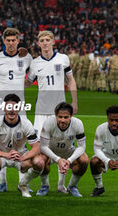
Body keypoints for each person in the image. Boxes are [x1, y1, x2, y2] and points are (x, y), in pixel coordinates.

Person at [25, 30, 78, 194]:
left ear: (53, 42)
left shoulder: (63, 59)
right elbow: (27, 83)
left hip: (60, 110)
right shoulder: (34, 63)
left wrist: (74, 101)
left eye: (48, 39)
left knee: (63, 145)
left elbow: (70, 80)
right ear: (38, 43)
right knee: (41, 150)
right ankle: (44, 185)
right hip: (41, 111)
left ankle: (61, 185)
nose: (45, 42)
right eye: (42, 40)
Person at [0, 27, 32, 192]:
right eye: (8, 40)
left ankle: (22, 183)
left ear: (18, 41)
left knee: (21, 141)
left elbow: (33, 77)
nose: (11, 43)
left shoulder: (26, 57)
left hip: (20, 106)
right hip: (0, 105)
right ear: (3, 41)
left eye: (14, 40)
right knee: (0, 142)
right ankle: (3, 182)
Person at [0, 94, 43, 198]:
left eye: (15, 107)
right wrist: (6, 155)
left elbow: (36, 148)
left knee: (39, 162)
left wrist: (23, 157)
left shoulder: (26, 123)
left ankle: (23, 184)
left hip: (20, 157)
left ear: (19, 108)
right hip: (2, 156)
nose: (11, 110)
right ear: (4, 108)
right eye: (9, 107)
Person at [38, 102, 89, 197]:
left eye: (66, 117)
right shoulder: (49, 122)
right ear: (56, 116)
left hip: (68, 152)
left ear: (71, 116)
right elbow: (43, 146)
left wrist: (69, 160)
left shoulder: (78, 123)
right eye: (60, 117)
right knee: (41, 159)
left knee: (84, 159)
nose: (63, 120)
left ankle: (72, 186)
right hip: (51, 151)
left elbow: (82, 146)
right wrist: (58, 159)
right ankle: (44, 185)